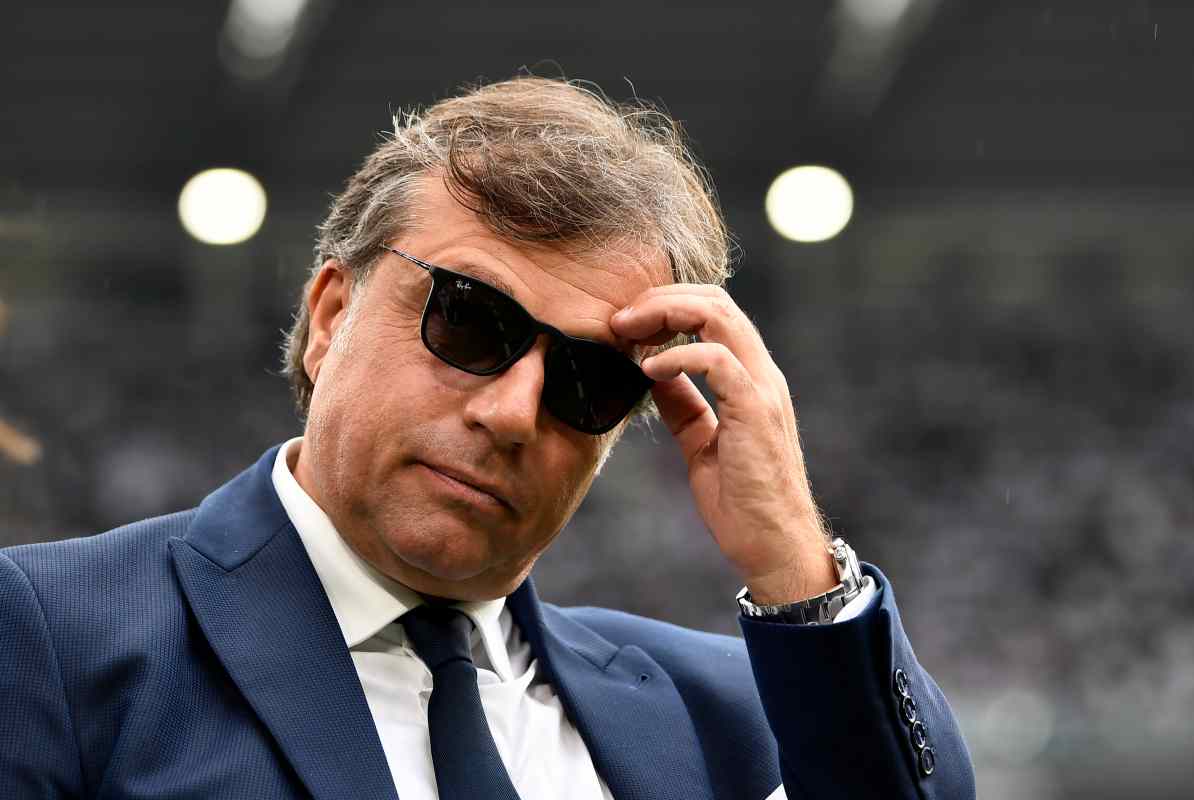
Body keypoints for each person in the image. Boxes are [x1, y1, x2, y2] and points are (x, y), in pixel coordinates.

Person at [0, 77, 975, 799]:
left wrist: (793, 560)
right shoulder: (55, 636)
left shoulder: (732, 717)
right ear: (331, 314)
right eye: (468, 322)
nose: (512, 413)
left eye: (590, 379)